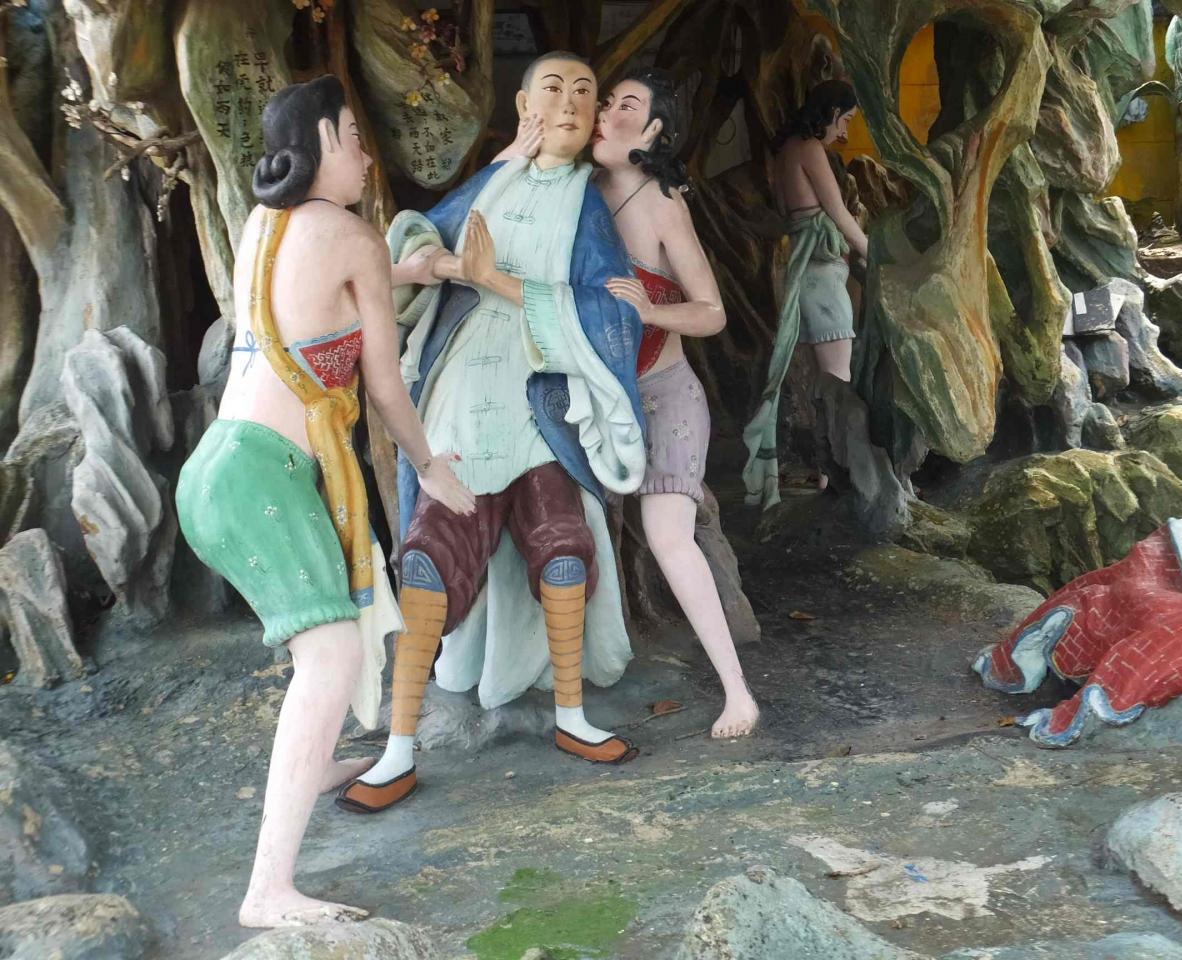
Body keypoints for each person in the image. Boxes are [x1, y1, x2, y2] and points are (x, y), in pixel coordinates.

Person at [175, 75, 474, 926]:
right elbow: (384, 385)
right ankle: (267, 891)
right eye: (353, 140)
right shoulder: (353, 237)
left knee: (327, 645)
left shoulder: (262, 224)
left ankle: (315, 768)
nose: (367, 157)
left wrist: (406, 268)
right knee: (332, 657)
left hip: (220, 469)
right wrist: (431, 466)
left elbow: (320, 299)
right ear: (319, 146)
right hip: (262, 477)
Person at [336, 51, 648, 815]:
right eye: (554, 89)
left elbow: (613, 311)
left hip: (543, 407)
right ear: (523, 106)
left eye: (584, 93)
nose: (570, 103)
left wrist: (497, 280)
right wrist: (441, 261)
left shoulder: (589, 209)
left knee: (563, 547)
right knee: (431, 556)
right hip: (463, 401)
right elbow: (413, 248)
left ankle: (572, 715)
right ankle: (398, 748)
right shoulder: (491, 183)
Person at [591, 66, 758, 738]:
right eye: (607, 101)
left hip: (664, 394)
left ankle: (737, 691)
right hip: (595, 400)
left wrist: (652, 311)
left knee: (668, 535)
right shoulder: (576, 193)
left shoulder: (663, 204)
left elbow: (712, 311)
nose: (606, 113)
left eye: (626, 106)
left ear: (654, 130)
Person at [743, 79, 869, 508]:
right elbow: (838, 213)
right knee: (839, 385)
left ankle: (826, 476)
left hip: (806, 274)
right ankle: (839, 479)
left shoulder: (785, 153)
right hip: (822, 279)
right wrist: (875, 254)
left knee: (825, 386)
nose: (845, 132)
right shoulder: (809, 149)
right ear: (831, 113)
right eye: (845, 120)